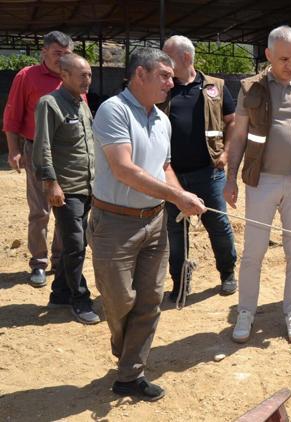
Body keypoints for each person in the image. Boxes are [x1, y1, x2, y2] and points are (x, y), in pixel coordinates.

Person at [90, 47, 205, 401]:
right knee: (120, 300)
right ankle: (125, 349)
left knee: (151, 299)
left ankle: (130, 373)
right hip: (114, 224)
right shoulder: (114, 111)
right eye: (165, 76)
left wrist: (180, 194)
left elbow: (163, 168)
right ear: (139, 75)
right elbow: (125, 170)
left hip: (154, 222)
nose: (173, 82)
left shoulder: (162, 119)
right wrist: (177, 198)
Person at [224, 25, 291, 344]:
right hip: (261, 182)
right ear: (269, 55)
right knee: (253, 253)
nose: (290, 65)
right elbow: (240, 135)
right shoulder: (252, 88)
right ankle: (246, 312)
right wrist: (231, 179)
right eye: (284, 58)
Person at [161, 35, 238, 301]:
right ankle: (180, 281)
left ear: (186, 58)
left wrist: (226, 154)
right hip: (171, 176)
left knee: (218, 225)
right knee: (175, 231)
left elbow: (233, 121)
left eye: (168, 58)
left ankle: (227, 274)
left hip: (209, 173)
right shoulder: (163, 88)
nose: (164, 65)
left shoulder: (215, 86)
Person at [31, 53, 100, 324]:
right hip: (66, 188)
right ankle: (79, 299)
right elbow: (43, 147)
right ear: (65, 76)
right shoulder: (50, 104)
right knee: (76, 245)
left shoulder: (82, 103)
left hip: (87, 186)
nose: (88, 80)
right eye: (82, 75)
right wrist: (51, 183)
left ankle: (60, 293)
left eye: (90, 74)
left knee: (75, 242)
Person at [3, 31, 72, 286]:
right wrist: (14, 150)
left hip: (67, 153)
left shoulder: (72, 77)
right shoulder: (27, 76)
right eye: (57, 54)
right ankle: (39, 263)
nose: (62, 60)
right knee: (40, 210)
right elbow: (12, 115)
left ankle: (60, 258)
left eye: (66, 55)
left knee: (67, 208)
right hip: (36, 151)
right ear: (43, 53)